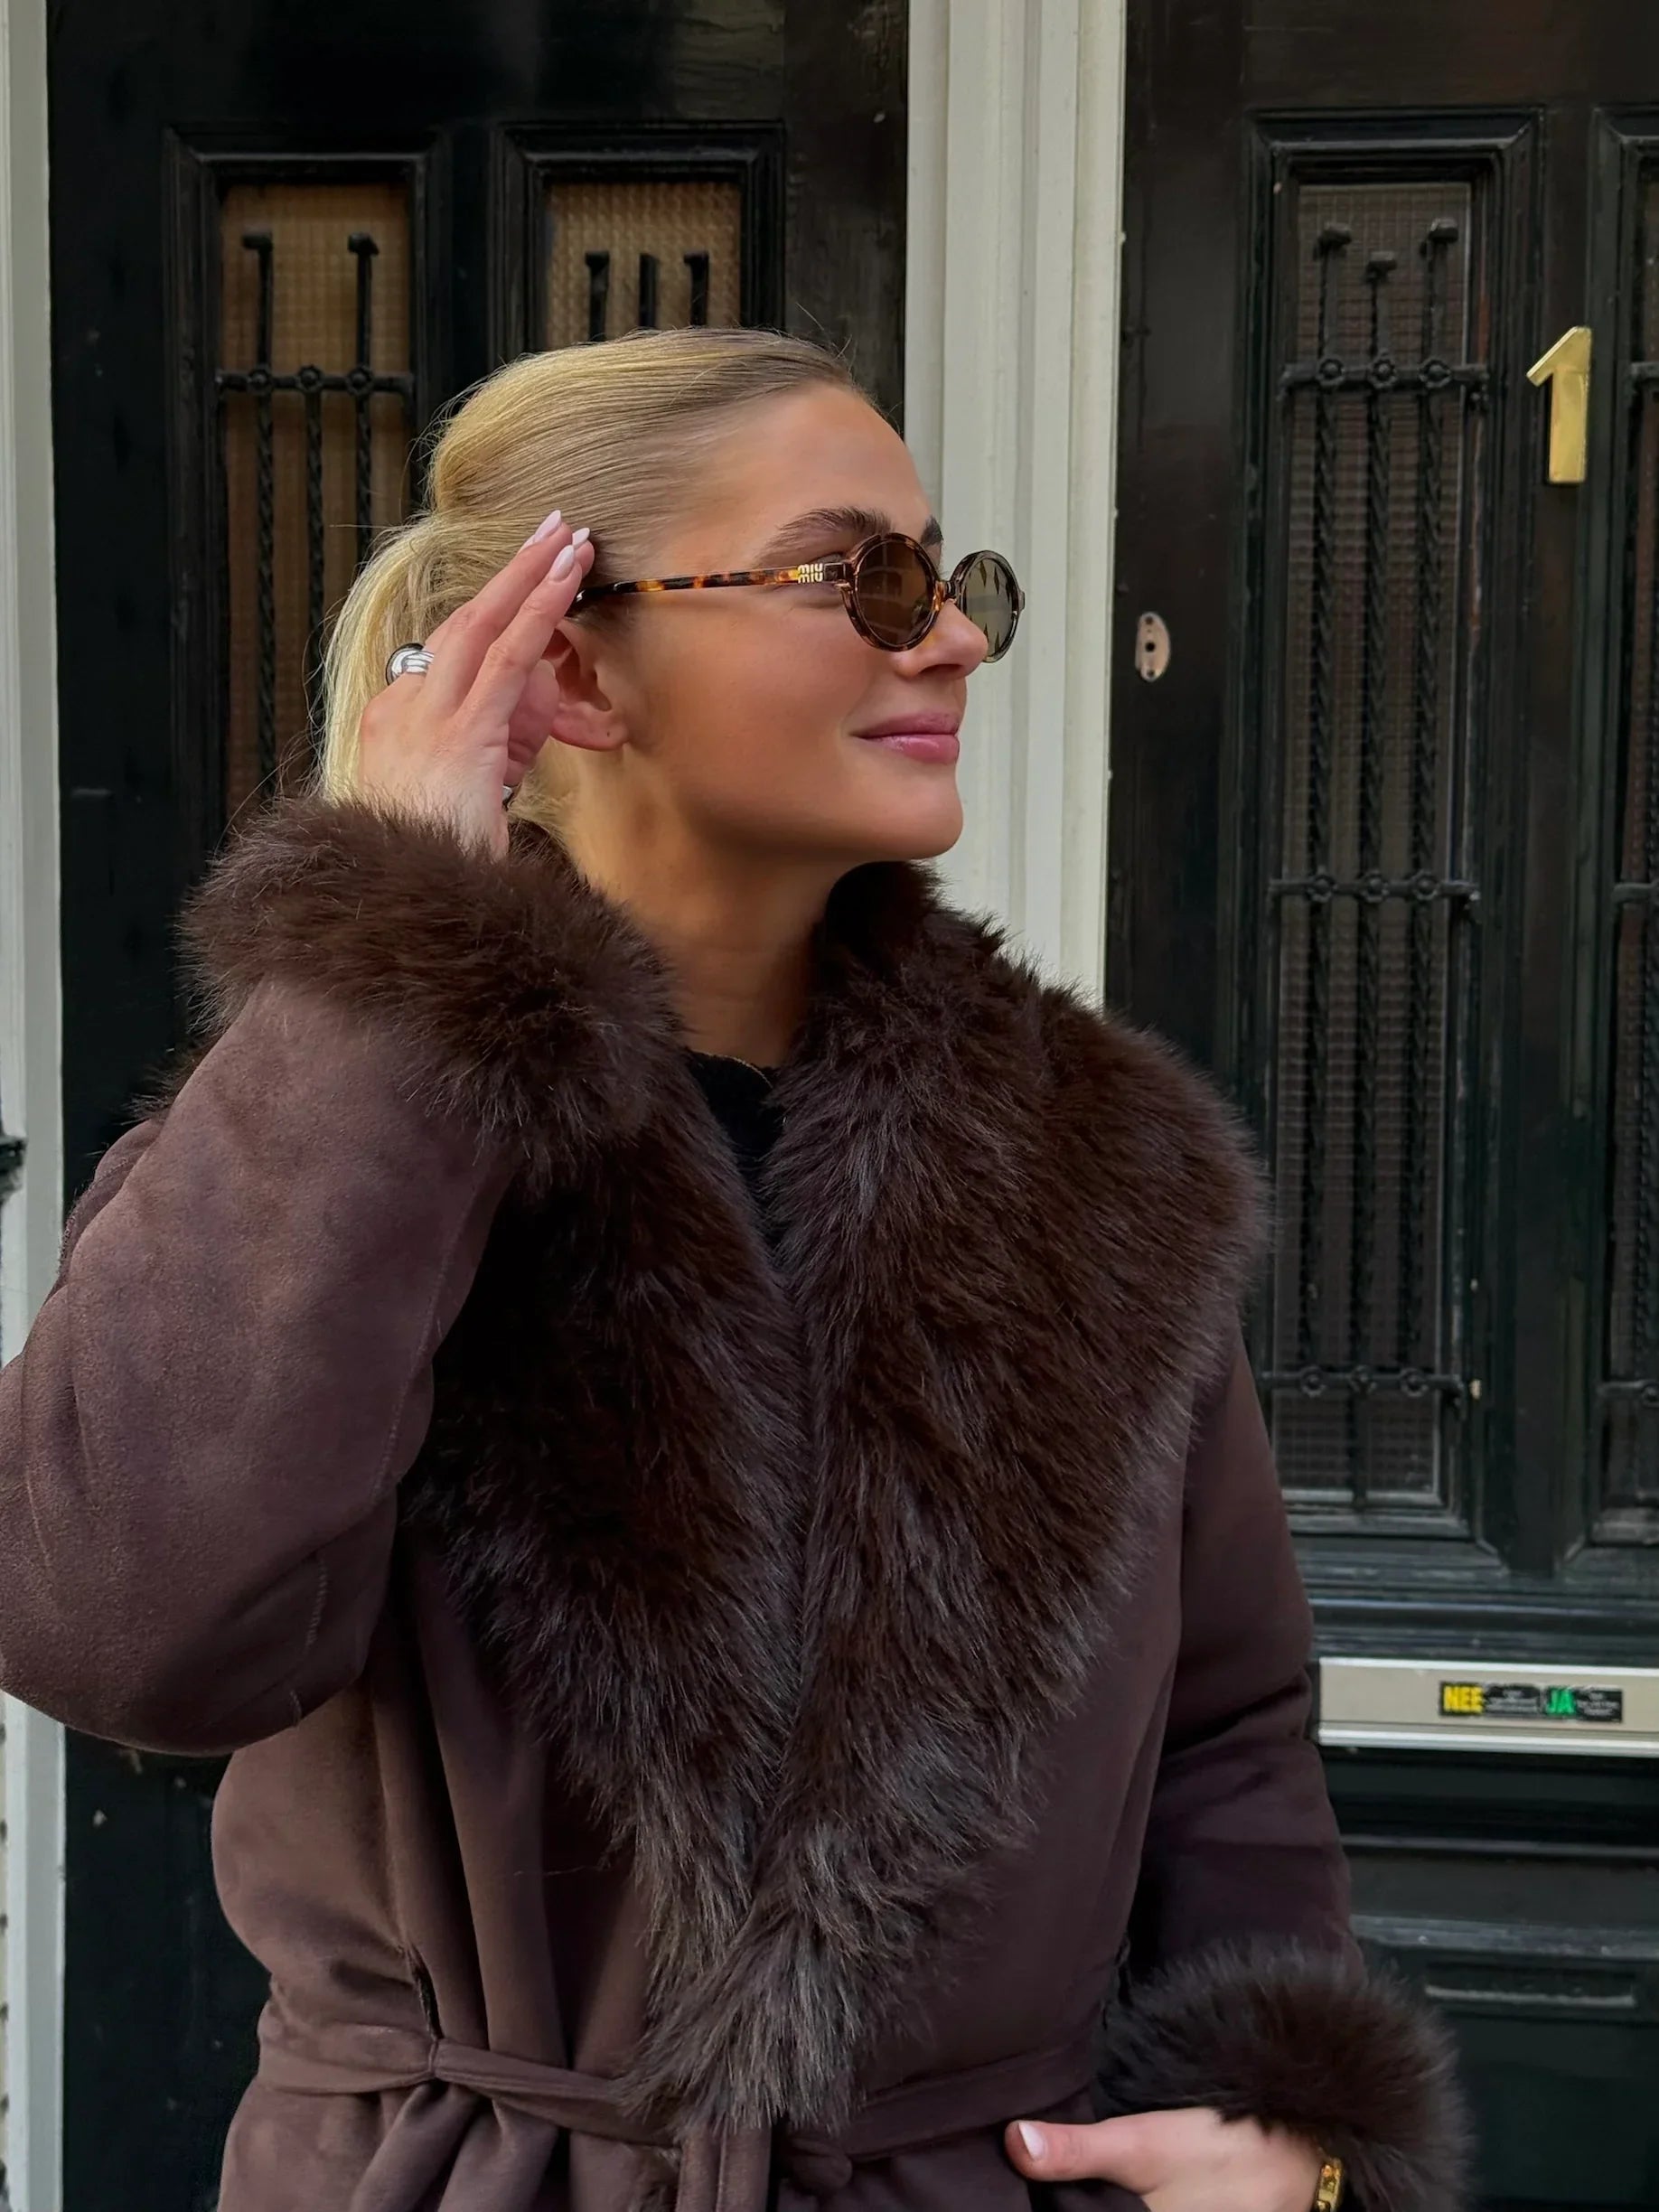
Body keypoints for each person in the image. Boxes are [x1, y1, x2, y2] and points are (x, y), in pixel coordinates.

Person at [0, 327, 1467, 2212]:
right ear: (582, 664)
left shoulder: (1106, 1169)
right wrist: (388, 961)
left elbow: (1227, 1727)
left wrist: (1285, 2124)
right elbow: (123, 1629)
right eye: (862, 575)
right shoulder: (321, 1136)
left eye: (952, 582)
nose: (949, 637)